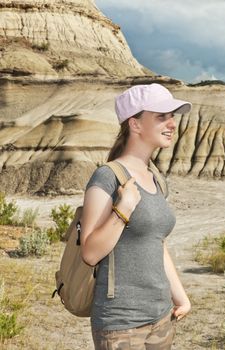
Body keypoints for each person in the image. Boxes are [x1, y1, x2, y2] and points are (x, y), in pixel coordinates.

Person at [80, 83, 192, 349]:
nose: (172, 123)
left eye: (172, 116)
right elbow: (90, 252)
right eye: (162, 116)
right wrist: (123, 209)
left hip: (161, 317)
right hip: (121, 323)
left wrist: (180, 296)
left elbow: (157, 243)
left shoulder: (156, 178)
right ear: (136, 124)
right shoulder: (107, 176)